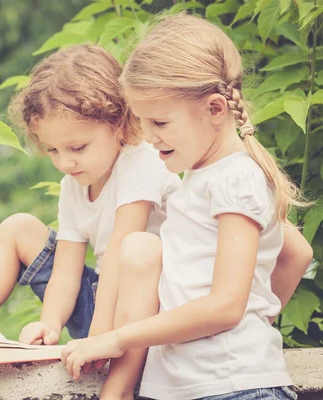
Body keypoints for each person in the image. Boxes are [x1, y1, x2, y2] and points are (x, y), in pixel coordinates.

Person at [60, 14, 314, 400]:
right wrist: (258, 313)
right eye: (143, 122)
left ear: (215, 110)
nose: (148, 136)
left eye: (159, 121)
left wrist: (116, 338)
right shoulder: (202, 178)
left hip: (232, 386)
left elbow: (227, 307)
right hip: (194, 386)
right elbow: (297, 253)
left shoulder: (236, 178)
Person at [0, 44, 180, 399]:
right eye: (52, 150)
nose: (65, 163)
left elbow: (122, 249)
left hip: (152, 317)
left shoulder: (141, 162)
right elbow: (67, 270)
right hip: (103, 304)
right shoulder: (74, 184)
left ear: (118, 124)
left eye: (77, 147)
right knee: (18, 228)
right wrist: (51, 322)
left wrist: (101, 337)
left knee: (133, 251)